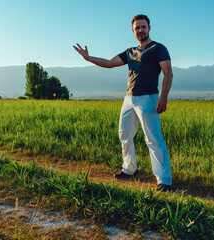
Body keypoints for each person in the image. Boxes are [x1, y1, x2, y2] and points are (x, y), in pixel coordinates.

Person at [73, 14, 173, 191]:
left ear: (149, 28)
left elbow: (168, 73)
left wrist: (163, 98)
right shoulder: (130, 52)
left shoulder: (158, 48)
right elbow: (109, 63)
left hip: (148, 98)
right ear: (133, 30)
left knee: (153, 139)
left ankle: (164, 180)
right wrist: (88, 58)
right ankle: (129, 169)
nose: (140, 30)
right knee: (124, 134)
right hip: (129, 98)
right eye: (137, 28)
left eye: (143, 27)